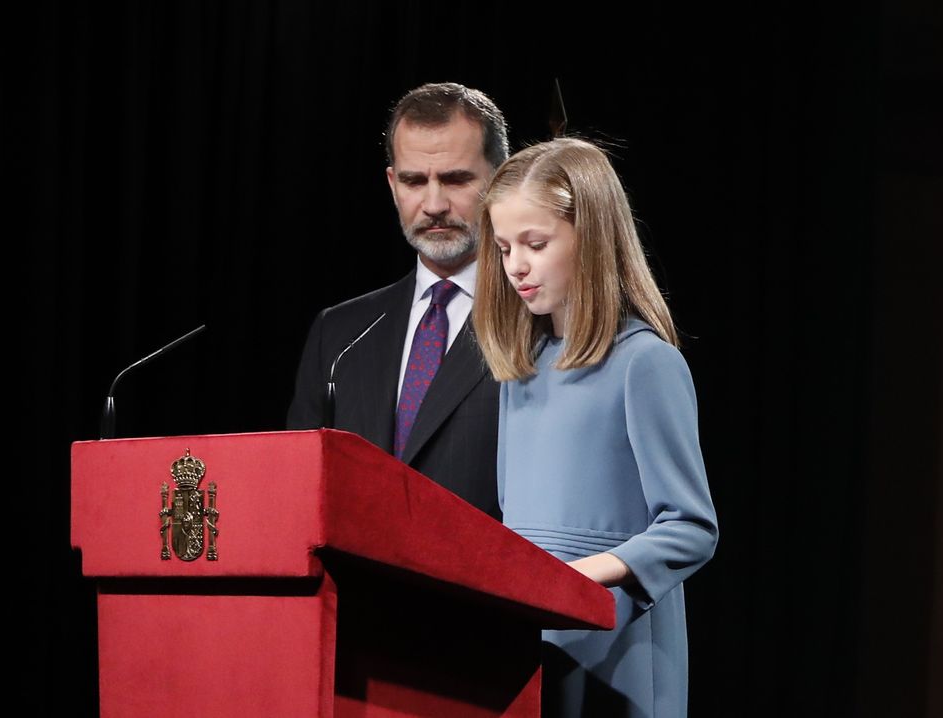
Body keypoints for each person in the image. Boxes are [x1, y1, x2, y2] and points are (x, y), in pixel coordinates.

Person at [473, 138, 719, 717]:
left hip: (614, 645)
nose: (516, 265)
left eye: (535, 243)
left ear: (591, 238)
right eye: (505, 247)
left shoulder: (644, 363)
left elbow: (690, 527)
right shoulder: (522, 369)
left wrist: (571, 581)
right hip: (533, 638)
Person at [287, 82, 508, 518]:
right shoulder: (338, 332)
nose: (433, 204)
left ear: (500, 179)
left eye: (456, 179)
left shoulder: (541, 320)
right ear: (392, 184)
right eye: (413, 181)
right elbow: (299, 491)